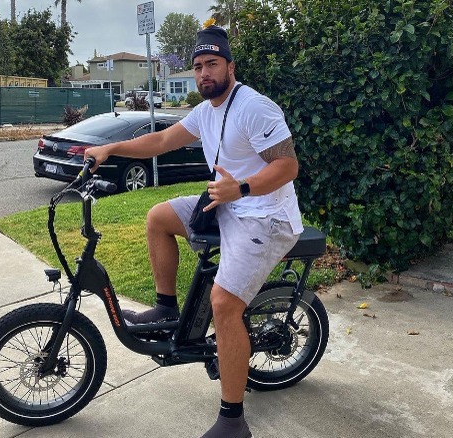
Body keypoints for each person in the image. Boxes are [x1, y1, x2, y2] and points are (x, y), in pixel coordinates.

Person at [84, 25, 303, 438]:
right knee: (158, 217)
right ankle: (167, 308)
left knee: (223, 304)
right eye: (198, 66)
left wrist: (239, 187)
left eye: (212, 64)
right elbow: (162, 139)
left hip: (264, 215)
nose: (204, 73)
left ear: (230, 66)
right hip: (225, 202)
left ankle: (233, 420)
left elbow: (288, 167)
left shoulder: (256, 108)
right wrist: (110, 149)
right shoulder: (206, 111)